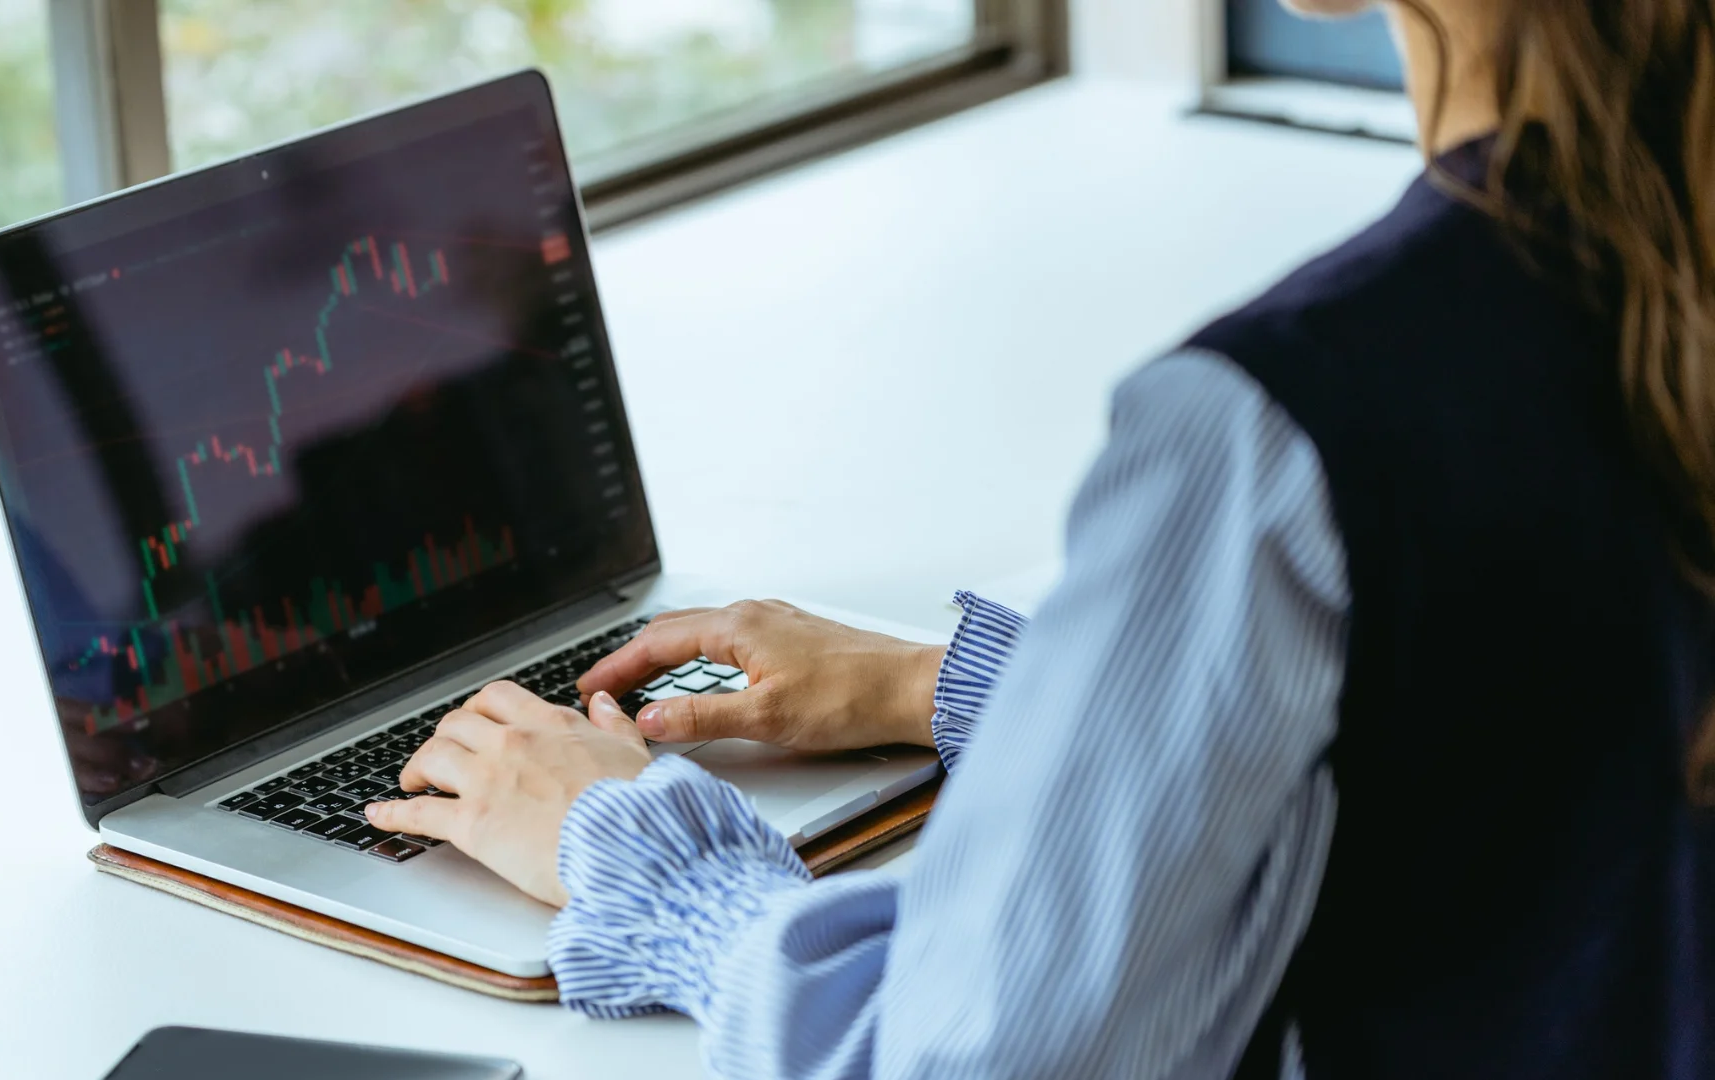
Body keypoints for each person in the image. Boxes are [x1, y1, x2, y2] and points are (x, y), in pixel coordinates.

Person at [363, 0, 1715, 1074]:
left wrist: (635, 854)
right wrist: (964, 685)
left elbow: (966, 1059)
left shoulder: (1284, 425)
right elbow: (1541, 707)